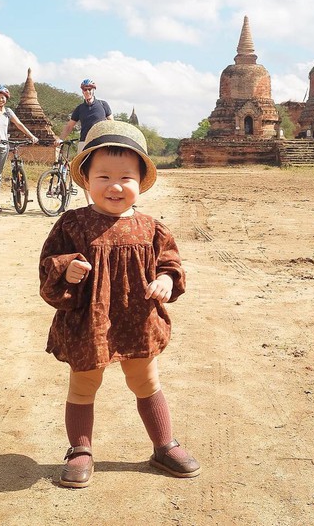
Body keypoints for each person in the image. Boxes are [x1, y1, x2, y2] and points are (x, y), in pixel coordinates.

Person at [39, 120, 200, 488]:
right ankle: (80, 450)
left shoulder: (152, 228)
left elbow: (170, 264)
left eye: (126, 177)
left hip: (138, 319)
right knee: (83, 385)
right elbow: (48, 267)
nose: (114, 186)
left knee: (146, 382)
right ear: (86, 179)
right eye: (103, 177)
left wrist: (165, 280)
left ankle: (164, 445)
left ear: (140, 182)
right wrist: (66, 270)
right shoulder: (72, 224)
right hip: (89, 322)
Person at [54, 79, 113, 204]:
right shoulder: (80, 109)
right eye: (85, 89)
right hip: (84, 142)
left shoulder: (103, 105)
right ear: (82, 91)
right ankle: (90, 203)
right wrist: (61, 139)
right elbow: (70, 126)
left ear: (94, 90)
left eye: (89, 89)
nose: (87, 91)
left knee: (104, 171)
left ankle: (105, 200)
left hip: (100, 142)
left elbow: (111, 124)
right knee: (84, 173)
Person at [0, 86, 38, 211]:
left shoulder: (8, 112)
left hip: (4, 145)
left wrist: (32, 136)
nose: (0, 100)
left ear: (6, 99)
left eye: (2, 98)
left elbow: (19, 124)